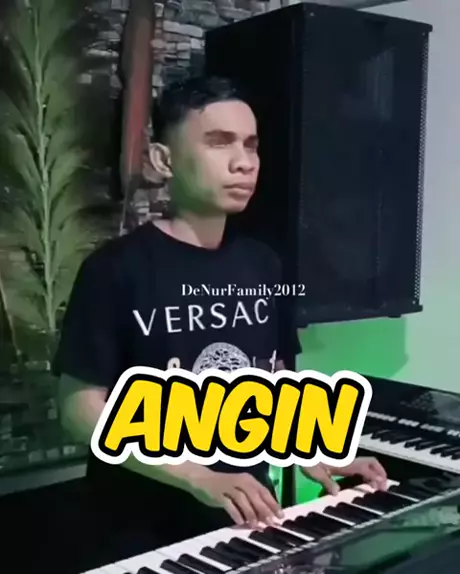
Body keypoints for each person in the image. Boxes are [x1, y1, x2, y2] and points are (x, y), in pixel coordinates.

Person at [53, 75, 387, 567]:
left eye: (251, 145)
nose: (244, 162)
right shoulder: (115, 269)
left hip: (243, 528)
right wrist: (198, 475)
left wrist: (316, 448)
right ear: (163, 160)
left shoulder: (263, 265)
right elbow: (79, 409)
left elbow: (274, 381)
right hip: (142, 538)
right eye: (219, 142)